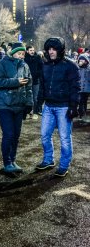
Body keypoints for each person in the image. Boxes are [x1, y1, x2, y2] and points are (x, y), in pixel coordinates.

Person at [36, 37, 81, 177]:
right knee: (44, 135)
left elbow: (76, 87)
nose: (51, 51)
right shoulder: (46, 65)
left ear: (60, 50)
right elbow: (42, 86)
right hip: (48, 106)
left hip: (64, 107)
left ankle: (64, 165)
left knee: (65, 138)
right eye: (49, 49)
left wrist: (74, 106)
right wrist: (38, 102)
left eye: (54, 49)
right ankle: (48, 160)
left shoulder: (71, 66)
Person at [0, 42, 33, 175]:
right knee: (9, 135)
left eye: (23, 54)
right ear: (12, 53)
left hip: (19, 106)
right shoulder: (2, 64)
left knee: (16, 136)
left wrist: (29, 103)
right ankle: (7, 163)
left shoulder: (25, 66)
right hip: (4, 105)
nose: (21, 56)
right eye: (19, 53)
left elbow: (29, 87)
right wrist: (15, 82)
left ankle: (13, 160)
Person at [24, 45, 44, 120]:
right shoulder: (25, 58)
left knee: (35, 98)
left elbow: (42, 67)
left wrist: (37, 74)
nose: (32, 51)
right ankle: (28, 112)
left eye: (33, 50)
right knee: (27, 97)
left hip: (35, 81)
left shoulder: (37, 57)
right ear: (27, 51)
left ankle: (35, 112)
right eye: (30, 50)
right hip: (27, 81)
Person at [77, 54, 90, 121]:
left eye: (83, 60)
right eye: (80, 59)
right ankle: (81, 115)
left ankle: (83, 115)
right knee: (80, 101)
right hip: (79, 88)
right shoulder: (78, 68)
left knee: (84, 102)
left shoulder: (89, 68)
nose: (81, 61)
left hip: (87, 89)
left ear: (86, 61)